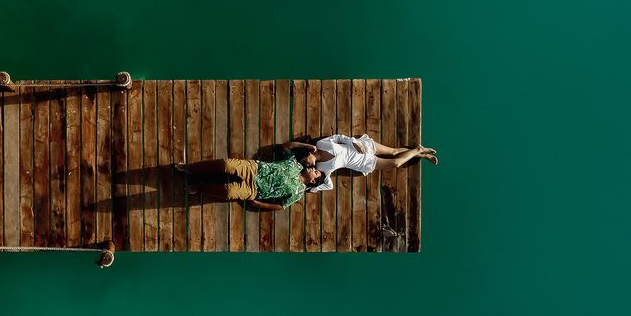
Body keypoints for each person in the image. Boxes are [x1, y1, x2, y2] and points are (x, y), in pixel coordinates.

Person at [174, 149, 324, 211]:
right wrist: (306, 147)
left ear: (312, 182)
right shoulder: (296, 164)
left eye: (315, 172)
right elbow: (285, 147)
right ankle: (190, 168)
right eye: (315, 168)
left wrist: (258, 203)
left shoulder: (298, 192)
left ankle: (200, 188)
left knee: (229, 192)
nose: (312, 168)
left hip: (255, 190)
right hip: (253, 169)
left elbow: (280, 206)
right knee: (226, 164)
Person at [284, 134, 437, 193]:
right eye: (305, 164)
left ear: (308, 153)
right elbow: (329, 185)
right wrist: (311, 189)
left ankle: (421, 154)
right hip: (363, 162)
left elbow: (339, 137)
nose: (308, 164)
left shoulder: (321, 143)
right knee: (396, 163)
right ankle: (418, 150)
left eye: (305, 160)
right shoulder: (321, 168)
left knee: (395, 152)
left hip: (362, 147)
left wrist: (355, 142)